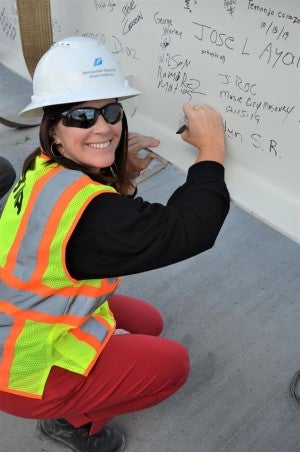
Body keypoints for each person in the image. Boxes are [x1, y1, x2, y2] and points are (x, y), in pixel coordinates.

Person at [0, 36, 230, 452]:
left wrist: (119, 176)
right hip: (19, 372)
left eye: (111, 111)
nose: (103, 126)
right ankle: (71, 424)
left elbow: (90, 220)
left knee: (147, 323)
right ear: (53, 126)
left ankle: (85, 383)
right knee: (172, 365)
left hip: (21, 322)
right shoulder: (95, 218)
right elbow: (191, 229)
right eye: (82, 116)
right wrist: (211, 152)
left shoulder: (42, 163)